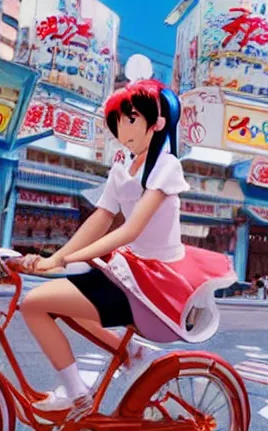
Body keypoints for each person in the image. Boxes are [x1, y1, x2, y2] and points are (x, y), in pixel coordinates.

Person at [18, 79, 236, 412]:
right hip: (127, 271)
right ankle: (131, 355)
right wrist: (57, 257)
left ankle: (77, 395)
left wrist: (64, 260)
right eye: (117, 120)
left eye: (130, 118)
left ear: (158, 123)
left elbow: (131, 229)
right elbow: (100, 218)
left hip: (154, 284)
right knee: (47, 303)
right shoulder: (122, 168)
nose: (122, 128)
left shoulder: (167, 167)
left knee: (35, 304)